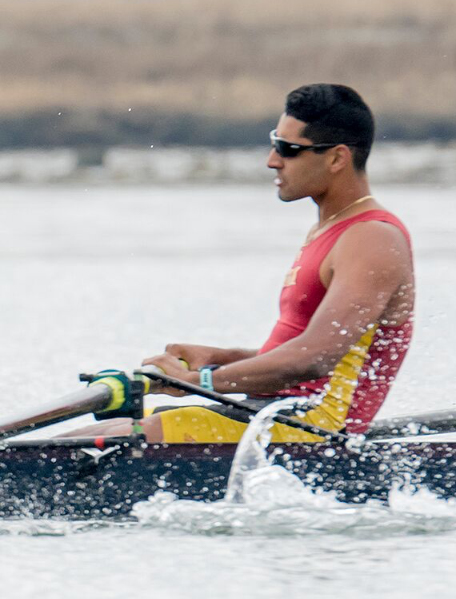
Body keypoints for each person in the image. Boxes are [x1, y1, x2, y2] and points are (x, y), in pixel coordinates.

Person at [78, 83, 414, 442]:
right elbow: (306, 349)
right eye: (274, 142)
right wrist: (223, 358)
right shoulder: (330, 230)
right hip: (273, 414)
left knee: (108, 441)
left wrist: (200, 382)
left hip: (316, 429)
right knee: (94, 435)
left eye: (288, 149)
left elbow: (316, 357)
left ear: (336, 158)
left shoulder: (372, 239)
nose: (272, 159)